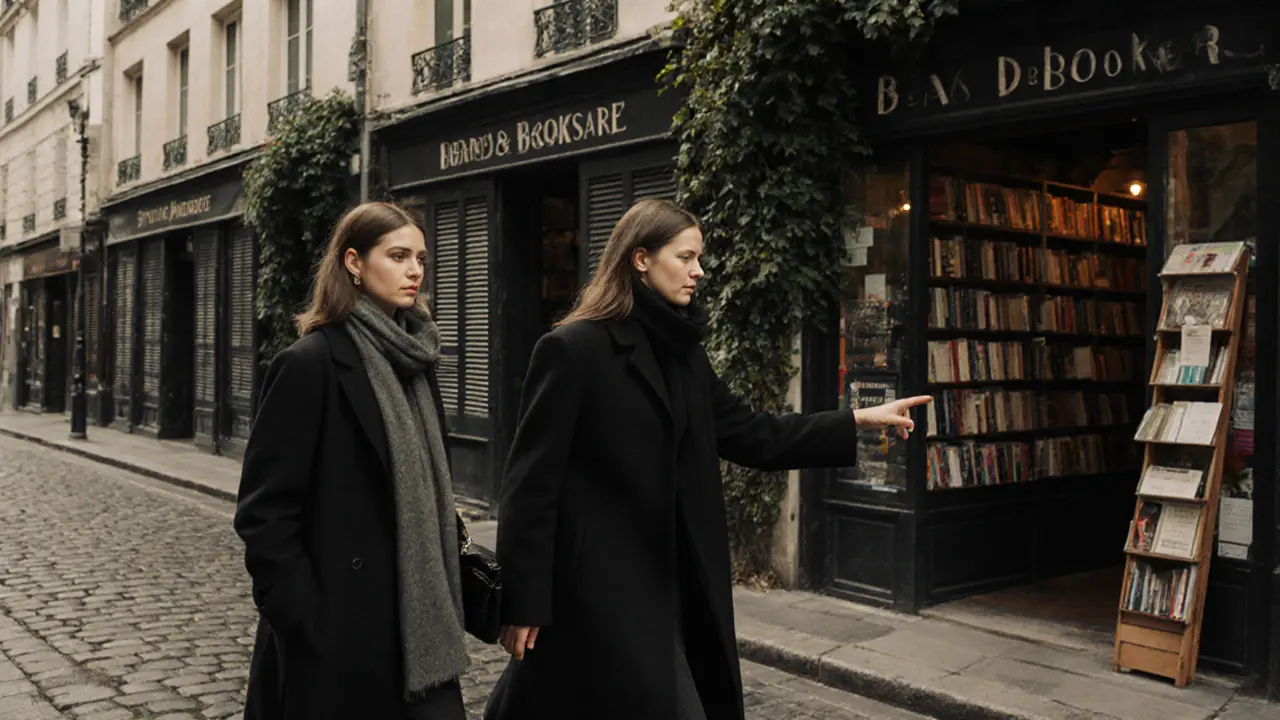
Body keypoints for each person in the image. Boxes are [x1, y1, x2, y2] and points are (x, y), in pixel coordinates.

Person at [484, 198, 931, 720]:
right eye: (686, 256)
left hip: (680, 584)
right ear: (640, 259)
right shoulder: (573, 349)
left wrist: (856, 420)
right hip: (598, 592)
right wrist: (524, 600)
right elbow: (530, 486)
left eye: (700, 258)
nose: (699, 271)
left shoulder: (683, 352)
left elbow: (752, 434)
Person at [234, 202, 470, 720]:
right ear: (354, 263)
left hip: (421, 631)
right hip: (340, 637)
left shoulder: (418, 362)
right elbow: (264, 512)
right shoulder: (310, 365)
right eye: (398, 255)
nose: (415, 271)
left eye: (421, 258)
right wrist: (305, 619)